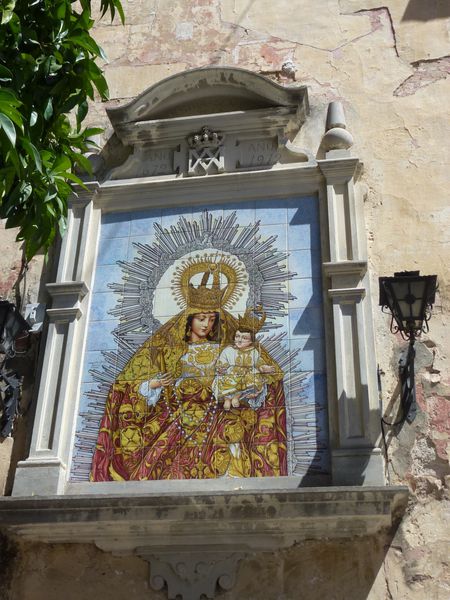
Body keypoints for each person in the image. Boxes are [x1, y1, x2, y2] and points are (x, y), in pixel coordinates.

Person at [90, 262, 288, 481]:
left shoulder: (227, 350)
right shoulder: (170, 352)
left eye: (212, 319)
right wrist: (154, 385)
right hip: (179, 422)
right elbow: (128, 387)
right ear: (189, 319)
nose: (206, 325)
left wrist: (250, 388)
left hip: (220, 419)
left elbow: (262, 378)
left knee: (230, 458)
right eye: (201, 318)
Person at [215, 308, 276, 410]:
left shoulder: (254, 351)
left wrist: (264, 368)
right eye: (237, 336)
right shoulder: (228, 350)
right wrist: (221, 368)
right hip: (232, 374)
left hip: (247, 375)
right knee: (227, 381)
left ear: (251, 341)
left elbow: (258, 363)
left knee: (253, 379)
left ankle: (236, 397)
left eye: (244, 338)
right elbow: (222, 362)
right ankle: (227, 399)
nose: (239, 340)